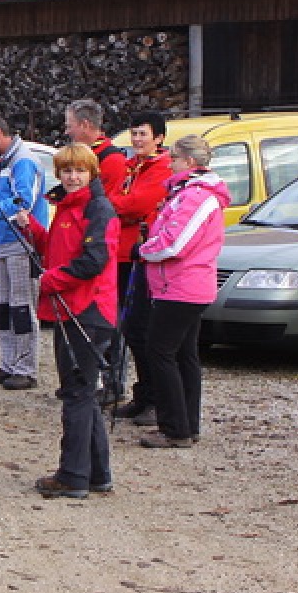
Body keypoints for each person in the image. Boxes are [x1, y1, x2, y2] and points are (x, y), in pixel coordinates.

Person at [23, 142, 120, 499]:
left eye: (79, 170)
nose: (73, 177)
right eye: (66, 171)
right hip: (69, 308)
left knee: (77, 392)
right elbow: (59, 249)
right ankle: (97, 473)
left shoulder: (98, 209)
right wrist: (32, 229)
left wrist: (51, 281)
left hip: (88, 311)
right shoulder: (65, 207)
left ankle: (73, 475)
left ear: (91, 172)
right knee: (83, 392)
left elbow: (93, 261)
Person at [137, 136, 229, 449]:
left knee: (160, 351)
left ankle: (175, 427)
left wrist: (145, 250)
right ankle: (187, 423)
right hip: (180, 284)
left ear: (189, 162)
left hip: (181, 286)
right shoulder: (189, 193)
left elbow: (175, 243)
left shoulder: (197, 197)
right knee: (184, 354)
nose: (169, 162)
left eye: (173, 157)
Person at [105, 111, 173, 416]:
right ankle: (142, 394)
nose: (136, 140)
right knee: (129, 328)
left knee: (141, 328)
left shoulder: (160, 168)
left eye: (142, 134)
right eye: (133, 134)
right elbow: (116, 198)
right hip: (122, 250)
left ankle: (153, 398)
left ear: (158, 138)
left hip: (141, 253)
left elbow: (138, 203)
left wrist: (120, 208)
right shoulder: (132, 166)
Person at [0, 115, 49, 391]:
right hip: (3, 240)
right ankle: (8, 362)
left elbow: (24, 201)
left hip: (22, 240)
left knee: (22, 304)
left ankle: (26, 367)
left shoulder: (22, 160)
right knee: (4, 305)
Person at [64, 98, 128, 197]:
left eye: (69, 127)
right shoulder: (83, 153)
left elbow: (108, 205)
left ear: (85, 125)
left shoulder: (113, 160)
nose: (66, 132)